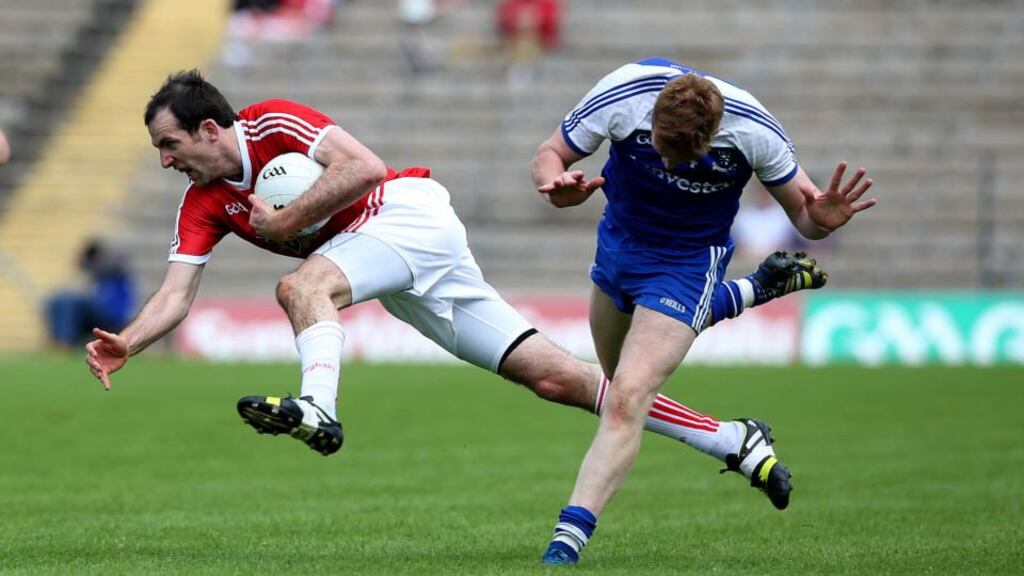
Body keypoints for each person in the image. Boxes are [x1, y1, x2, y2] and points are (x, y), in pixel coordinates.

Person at [84, 69, 822, 487]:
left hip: (407, 215)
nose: (165, 158)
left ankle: (319, 410)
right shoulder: (202, 202)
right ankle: (732, 439)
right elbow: (178, 291)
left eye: (169, 143)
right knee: (560, 379)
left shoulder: (275, 123)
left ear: (209, 130)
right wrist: (130, 342)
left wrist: (282, 226)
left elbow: (365, 167)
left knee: (301, 287)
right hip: (394, 269)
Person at [530, 57, 876, 565]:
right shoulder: (624, 93)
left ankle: (566, 542)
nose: (669, 165)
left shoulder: (755, 129)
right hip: (619, 249)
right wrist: (555, 187)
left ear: (714, 132)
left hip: (687, 264)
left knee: (627, 399)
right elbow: (548, 154)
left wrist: (821, 221)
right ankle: (753, 293)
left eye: (683, 155)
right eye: (662, 150)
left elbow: (805, 214)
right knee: (611, 383)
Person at [46, 239, 137, 348]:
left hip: (110, 319)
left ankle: (65, 341)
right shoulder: (95, 275)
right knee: (59, 299)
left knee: (68, 301)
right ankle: (60, 340)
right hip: (95, 317)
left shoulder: (115, 273)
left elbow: (111, 306)